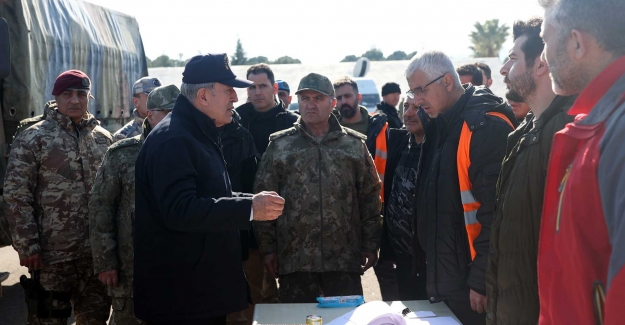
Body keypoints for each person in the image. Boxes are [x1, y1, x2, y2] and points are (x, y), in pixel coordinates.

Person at [133, 53, 284, 325]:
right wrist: (249, 208)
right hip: (182, 301)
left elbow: (207, 196)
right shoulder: (175, 139)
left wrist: (252, 201)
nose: (236, 99)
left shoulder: (195, 132)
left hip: (198, 294)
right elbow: (180, 210)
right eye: (228, 91)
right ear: (203, 96)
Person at [405, 51, 515, 325]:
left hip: (472, 287)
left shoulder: (484, 125)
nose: (416, 100)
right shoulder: (441, 124)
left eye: (420, 90)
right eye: (412, 91)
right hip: (449, 282)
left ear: (447, 82)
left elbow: (497, 214)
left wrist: (480, 280)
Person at [254, 73, 382, 303]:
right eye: (305, 98)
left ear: (332, 103)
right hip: (295, 260)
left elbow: (370, 197)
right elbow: (265, 198)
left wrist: (371, 243)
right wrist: (268, 248)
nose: (310, 104)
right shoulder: (281, 146)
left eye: (318, 98)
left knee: (345, 319)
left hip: (343, 260)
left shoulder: (353, 145)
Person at [537, 0, 625, 324]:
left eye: (546, 40)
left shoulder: (618, 130)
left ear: (577, 42)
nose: (543, 57)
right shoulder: (601, 123)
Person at [485, 18, 577, 325]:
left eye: (512, 59)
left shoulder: (568, 132)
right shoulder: (524, 133)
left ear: (541, 64)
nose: (503, 70)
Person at [3, 69, 113, 324]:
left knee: (95, 319)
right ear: (56, 97)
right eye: (67, 94)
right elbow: (16, 195)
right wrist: (27, 244)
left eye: (81, 94)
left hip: (95, 256)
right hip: (52, 256)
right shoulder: (33, 137)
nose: (75, 100)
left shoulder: (103, 139)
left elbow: (112, 196)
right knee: (50, 320)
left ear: (89, 97)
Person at [89, 84, 179, 325]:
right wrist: (106, 262)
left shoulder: (189, 152)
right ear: (150, 115)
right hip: (131, 270)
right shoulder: (122, 153)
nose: (176, 120)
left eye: (180, 113)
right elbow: (101, 208)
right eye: (169, 113)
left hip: (178, 270)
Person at [332, 76, 398, 301]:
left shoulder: (380, 127)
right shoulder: (329, 130)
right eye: (339, 97)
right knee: (345, 283)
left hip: (380, 210)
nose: (343, 101)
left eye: (347, 96)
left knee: (388, 276)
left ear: (358, 97)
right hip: (344, 217)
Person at [382, 96, 427, 301]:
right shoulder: (399, 143)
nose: (408, 113)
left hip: (429, 265)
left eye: (417, 107)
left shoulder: (439, 149)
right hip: (402, 260)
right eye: (406, 106)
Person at [235, 64, 298, 154]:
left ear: (275, 88)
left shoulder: (293, 122)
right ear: (247, 91)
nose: (257, 92)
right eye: (252, 87)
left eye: (262, 86)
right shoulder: (237, 121)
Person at [113, 77, 162, 141]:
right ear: (136, 102)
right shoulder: (123, 137)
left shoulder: (170, 127)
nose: (158, 101)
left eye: (160, 96)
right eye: (151, 96)